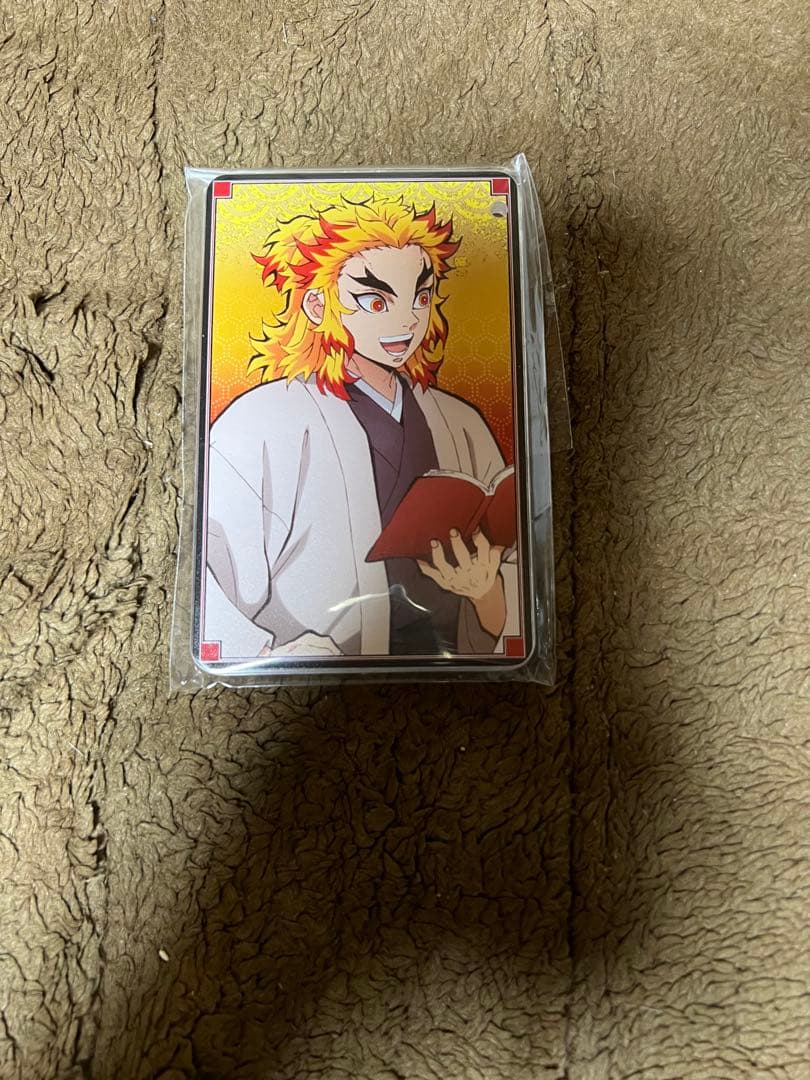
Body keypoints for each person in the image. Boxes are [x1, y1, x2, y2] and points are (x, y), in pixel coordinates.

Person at [203, 195, 518, 659]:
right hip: (317, 672)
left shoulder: (459, 421)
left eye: (422, 297)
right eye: (375, 300)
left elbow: (514, 571)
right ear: (317, 305)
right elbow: (210, 573)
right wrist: (274, 653)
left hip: (452, 670)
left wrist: (486, 593)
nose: (408, 320)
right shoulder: (261, 420)